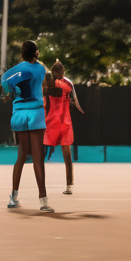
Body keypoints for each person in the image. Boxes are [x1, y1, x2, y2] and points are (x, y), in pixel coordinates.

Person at [0, 39, 53, 212]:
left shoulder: (15, 70)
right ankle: (43, 201)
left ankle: (13, 196)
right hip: (35, 113)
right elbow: (45, 83)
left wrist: (10, 91)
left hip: (19, 114)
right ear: (36, 53)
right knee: (38, 158)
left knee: (21, 155)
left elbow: (4, 81)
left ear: (22, 54)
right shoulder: (40, 69)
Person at [43, 60, 83, 195]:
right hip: (50, 121)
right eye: (56, 73)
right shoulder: (48, 80)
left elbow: (75, 101)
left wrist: (74, 105)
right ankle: (41, 185)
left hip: (63, 121)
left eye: (60, 73)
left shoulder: (68, 83)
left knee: (67, 153)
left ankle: (69, 184)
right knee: (40, 151)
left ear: (63, 72)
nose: (58, 75)